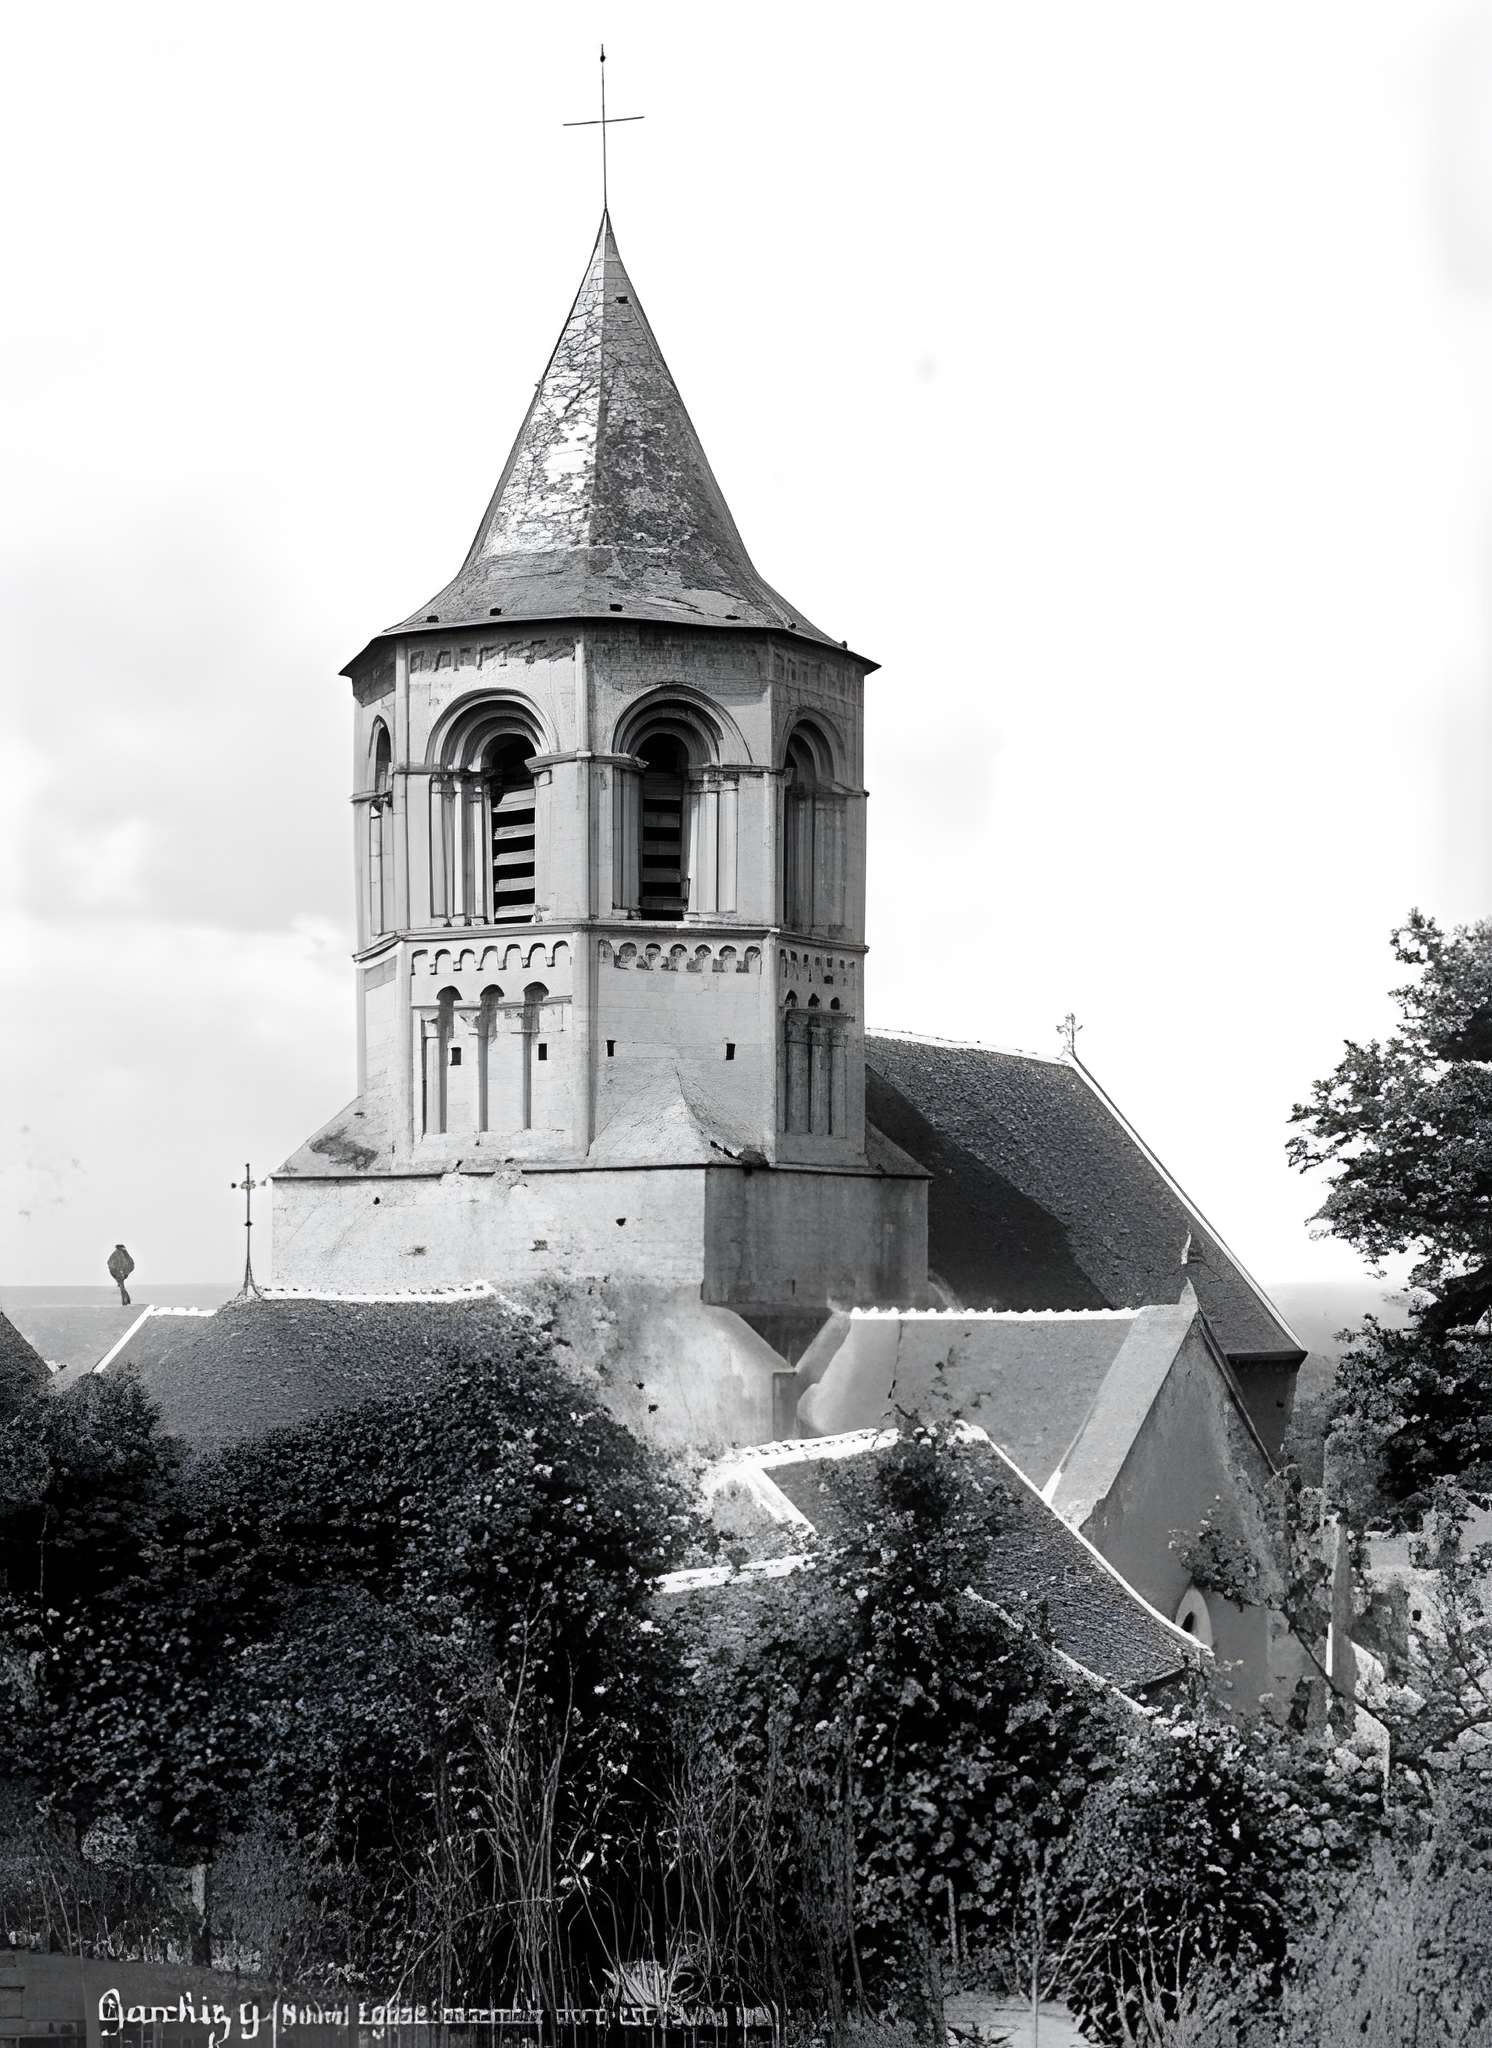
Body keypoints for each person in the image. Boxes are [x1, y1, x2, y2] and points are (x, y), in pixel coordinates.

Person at [106, 1242, 135, 1307]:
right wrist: (121, 1273)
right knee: (122, 1287)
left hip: (119, 1274)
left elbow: (131, 1264)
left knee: (122, 1287)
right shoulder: (119, 1254)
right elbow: (111, 1263)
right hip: (119, 1274)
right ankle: (125, 1302)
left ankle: (126, 1301)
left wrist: (124, 1273)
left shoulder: (123, 1254)